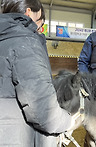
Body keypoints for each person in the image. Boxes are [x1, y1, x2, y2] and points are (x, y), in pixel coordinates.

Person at [0, 0, 81, 146]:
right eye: (40, 25)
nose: (39, 30)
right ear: (29, 12)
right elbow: (44, 111)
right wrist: (68, 121)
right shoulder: (25, 43)